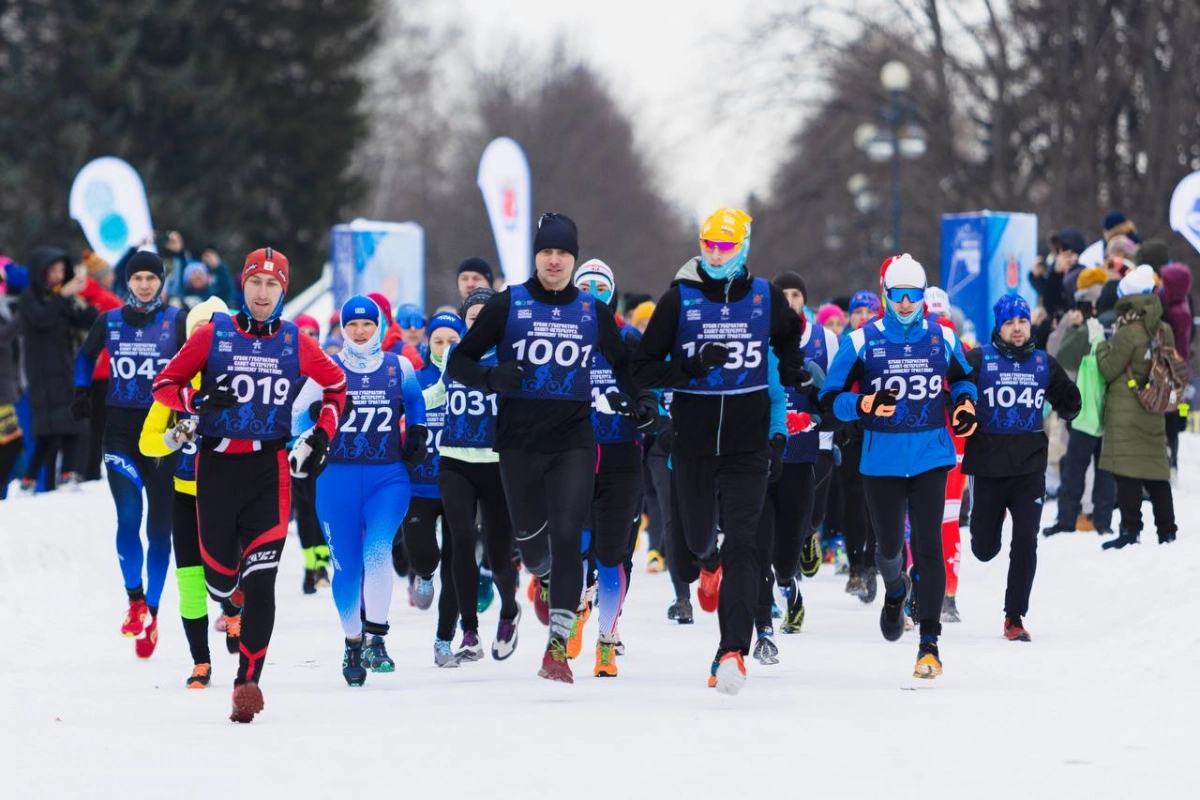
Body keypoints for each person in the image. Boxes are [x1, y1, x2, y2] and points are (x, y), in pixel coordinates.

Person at [152, 247, 347, 722]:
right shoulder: (214, 334)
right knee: (221, 580)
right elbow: (163, 384)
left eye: (273, 285)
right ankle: (229, 599)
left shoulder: (296, 340)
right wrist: (195, 398)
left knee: (262, 583)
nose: (263, 294)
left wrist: (323, 433)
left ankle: (248, 682)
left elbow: (336, 386)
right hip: (216, 470)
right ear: (243, 285)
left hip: (269, 471)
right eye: (256, 284)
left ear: (284, 290)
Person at [447, 212, 642, 684]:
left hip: (573, 441)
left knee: (569, 535)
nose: (554, 261)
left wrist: (647, 401)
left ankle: (557, 646)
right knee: (535, 550)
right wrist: (493, 377)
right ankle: (546, 577)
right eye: (547, 252)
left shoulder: (592, 312)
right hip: (517, 444)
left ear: (573, 259)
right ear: (535, 257)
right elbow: (459, 361)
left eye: (563, 253)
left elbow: (625, 366)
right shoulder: (508, 304)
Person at [631, 207, 805, 694]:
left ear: (744, 248)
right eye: (708, 245)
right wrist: (688, 368)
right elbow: (642, 368)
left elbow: (793, 331)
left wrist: (789, 368)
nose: (714, 254)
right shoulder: (678, 301)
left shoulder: (764, 296)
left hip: (748, 446)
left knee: (746, 544)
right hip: (693, 444)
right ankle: (708, 565)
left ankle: (732, 651)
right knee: (695, 547)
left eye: (725, 247)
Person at [820, 254, 976, 680]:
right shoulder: (860, 341)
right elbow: (828, 400)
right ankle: (894, 591)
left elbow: (965, 378)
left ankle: (929, 644)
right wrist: (863, 404)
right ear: (886, 294)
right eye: (898, 295)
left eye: (913, 295)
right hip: (882, 459)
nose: (906, 303)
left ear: (922, 296)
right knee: (889, 549)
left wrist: (965, 404)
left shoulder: (942, 336)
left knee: (928, 545)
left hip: (931, 454)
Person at [74, 251, 186, 657]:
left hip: (162, 435)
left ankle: (152, 613)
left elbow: (197, 364)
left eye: (150, 278)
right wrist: (82, 391)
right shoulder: (111, 321)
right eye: (137, 277)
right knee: (127, 517)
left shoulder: (176, 321)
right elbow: (85, 357)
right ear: (127, 281)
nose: (144, 284)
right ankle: (134, 600)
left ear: (161, 281)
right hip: (119, 432)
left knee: (159, 529)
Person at [314, 296, 426, 686]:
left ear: (379, 326)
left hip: (387, 476)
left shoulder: (400, 366)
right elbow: (297, 412)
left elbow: (414, 400)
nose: (360, 332)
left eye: (367, 325)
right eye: (352, 326)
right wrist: (307, 441)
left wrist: (418, 433)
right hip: (336, 478)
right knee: (346, 566)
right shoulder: (327, 368)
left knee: (377, 551)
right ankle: (352, 641)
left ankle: (377, 637)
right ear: (342, 329)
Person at [961, 294, 1080, 641]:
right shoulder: (979, 358)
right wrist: (962, 403)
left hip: (1029, 467)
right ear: (999, 326)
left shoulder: (1043, 364)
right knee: (984, 550)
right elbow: (956, 388)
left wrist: (1069, 404)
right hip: (987, 465)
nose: (1017, 328)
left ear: (1030, 325)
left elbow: (1068, 400)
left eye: (1023, 322)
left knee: (1026, 539)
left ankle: (1014, 617)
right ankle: (991, 521)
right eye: (1010, 322)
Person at [139, 297, 241, 686]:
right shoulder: (175, 383)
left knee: (226, 574)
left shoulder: (240, 378)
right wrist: (173, 435)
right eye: (199, 333)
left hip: (228, 491)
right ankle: (201, 662)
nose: (207, 341)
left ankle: (233, 611)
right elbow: (147, 443)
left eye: (213, 333)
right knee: (189, 581)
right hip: (185, 492)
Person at [567, 259, 658, 677]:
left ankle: (607, 636)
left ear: (612, 293)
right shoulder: (563, 334)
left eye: (600, 288)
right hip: (576, 455)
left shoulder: (628, 338)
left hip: (622, 456)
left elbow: (649, 390)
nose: (592, 294)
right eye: (584, 286)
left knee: (613, 555)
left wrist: (641, 407)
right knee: (576, 546)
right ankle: (576, 611)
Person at [435, 287, 521, 664]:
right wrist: (404, 404)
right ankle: (469, 630)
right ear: (465, 320)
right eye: (474, 318)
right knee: (461, 538)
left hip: (497, 463)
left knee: (501, 558)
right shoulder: (456, 354)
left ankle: (508, 610)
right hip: (454, 459)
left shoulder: (510, 356)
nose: (481, 324)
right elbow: (439, 392)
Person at [1095, 266, 1178, 549]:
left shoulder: (1127, 331)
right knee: (1155, 469)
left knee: (1127, 470)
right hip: (1154, 405)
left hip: (1125, 409)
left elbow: (1109, 369)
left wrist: (1101, 347)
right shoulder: (1163, 328)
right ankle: (1167, 530)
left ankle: (1130, 530)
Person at [403, 312, 465, 666]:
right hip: (419, 488)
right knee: (425, 556)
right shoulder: (416, 379)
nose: (444, 349)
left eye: (452, 342)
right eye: (438, 342)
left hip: (459, 484)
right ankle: (423, 574)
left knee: (456, 566)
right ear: (428, 344)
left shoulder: (469, 377)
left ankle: (444, 640)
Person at [17, 248, 97, 492]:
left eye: (62, 270)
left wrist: (82, 298)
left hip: (64, 372)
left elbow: (88, 320)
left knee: (76, 426)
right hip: (41, 375)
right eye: (53, 270)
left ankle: (67, 476)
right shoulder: (29, 298)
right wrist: (63, 296)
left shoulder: (62, 298)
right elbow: (42, 319)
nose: (58, 275)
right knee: (48, 434)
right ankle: (30, 482)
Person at [838, 289, 883, 601]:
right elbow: (834, 387)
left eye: (869, 312)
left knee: (877, 498)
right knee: (853, 498)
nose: (863, 318)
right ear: (850, 317)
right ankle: (857, 564)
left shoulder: (882, 342)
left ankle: (874, 560)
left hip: (878, 428)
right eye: (858, 313)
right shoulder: (846, 344)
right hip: (849, 429)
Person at [290, 314, 331, 593]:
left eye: (313, 333)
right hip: (290, 449)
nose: (309, 338)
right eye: (303, 333)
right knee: (304, 508)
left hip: (320, 447)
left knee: (322, 507)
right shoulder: (286, 366)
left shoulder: (326, 366)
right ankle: (310, 566)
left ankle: (322, 564)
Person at [0, 263, 23, 496]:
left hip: (6, 390)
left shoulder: (5, 307)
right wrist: (22, 316)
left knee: (11, 445)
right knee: (13, 444)